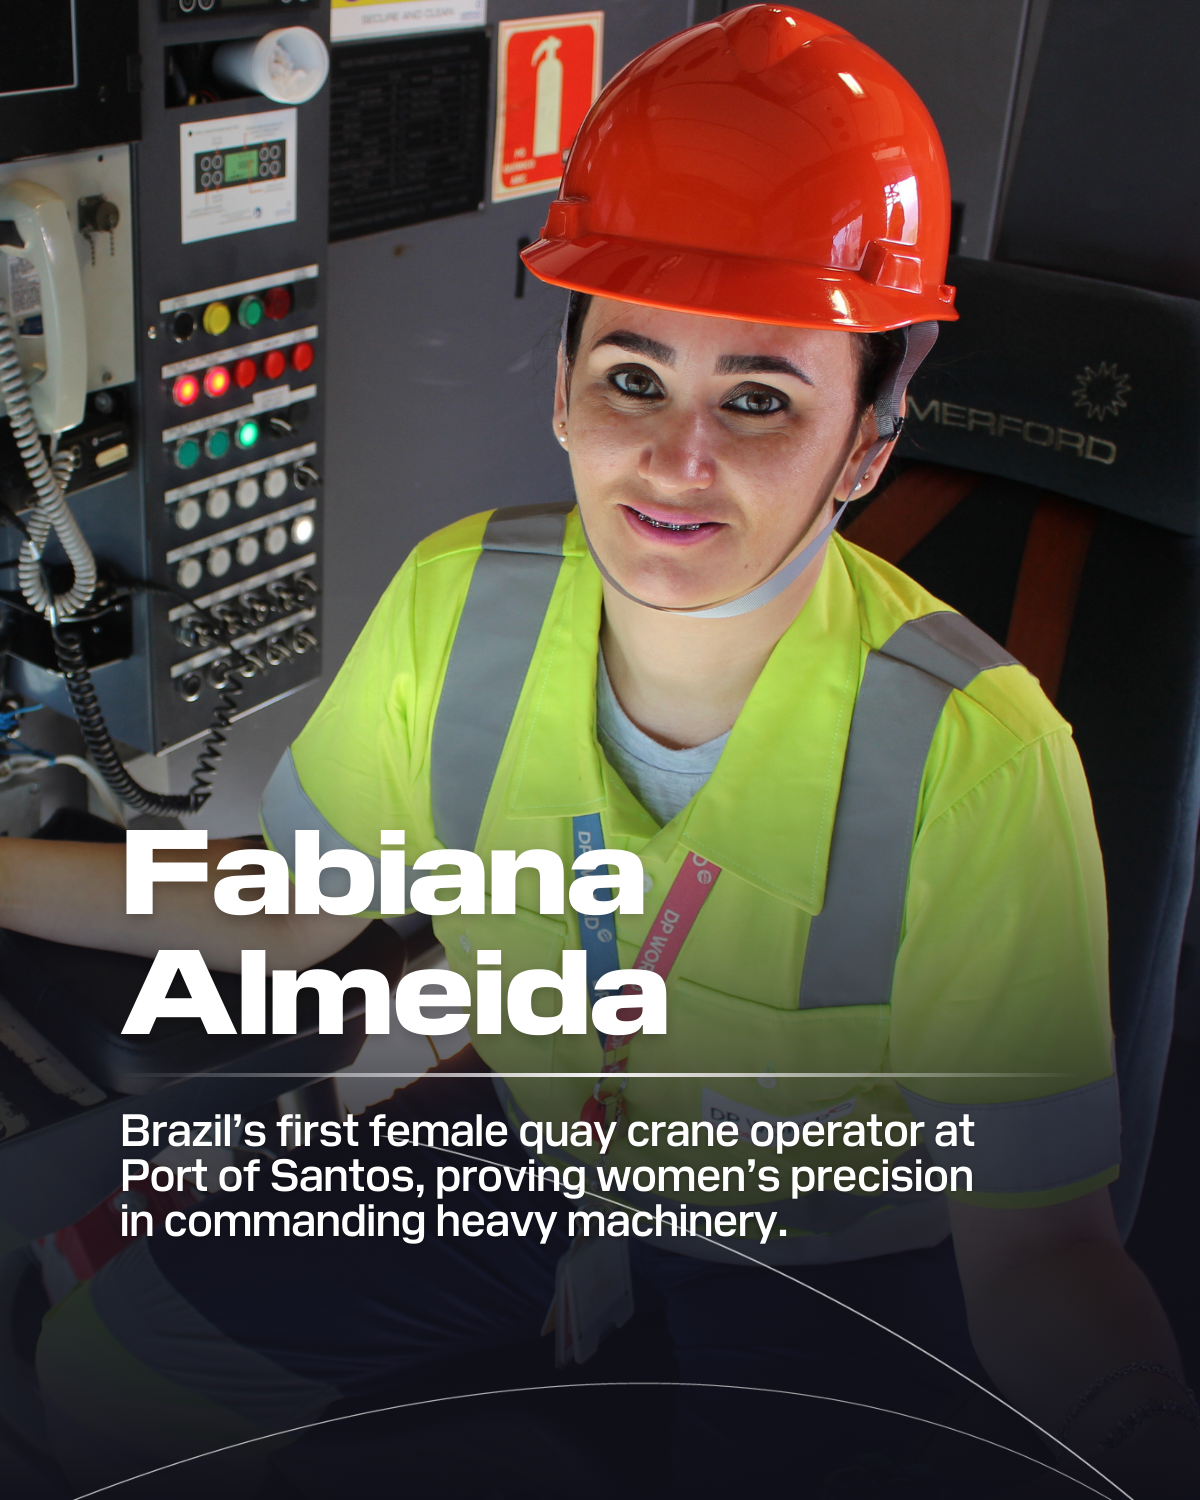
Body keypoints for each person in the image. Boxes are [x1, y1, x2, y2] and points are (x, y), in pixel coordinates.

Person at [2, 7, 1194, 1496]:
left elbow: (1041, 1249)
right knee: (105, 1378)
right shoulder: (457, 603)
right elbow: (293, 904)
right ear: (563, 386)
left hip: (822, 1238)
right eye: (636, 374)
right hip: (537, 1145)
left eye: (760, 397)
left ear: (870, 442)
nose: (677, 458)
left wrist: (1143, 1450)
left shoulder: (978, 757)